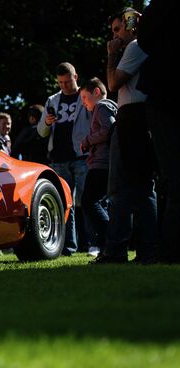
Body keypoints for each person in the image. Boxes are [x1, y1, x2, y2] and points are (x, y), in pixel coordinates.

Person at [93, 7, 158, 264]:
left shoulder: (133, 48)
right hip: (139, 117)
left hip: (132, 117)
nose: (115, 37)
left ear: (130, 26)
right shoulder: (144, 46)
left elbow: (112, 83)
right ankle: (145, 251)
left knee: (122, 188)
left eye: (118, 29)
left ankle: (117, 250)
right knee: (141, 188)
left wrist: (111, 55)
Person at [138, 0, 179, 263]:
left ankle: (170, 249)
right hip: (166, 97)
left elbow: (145, 38)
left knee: (173, 179)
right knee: (175, 179)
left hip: (162, 97)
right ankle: (171, 249)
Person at [37, 62, 92, 256]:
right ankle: (68, 248)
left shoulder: (85, 96)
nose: (64, 86)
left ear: (75, 78)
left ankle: (92, 244)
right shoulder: (52, 100)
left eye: (67, 82)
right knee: (64, 205)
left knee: (88, 201)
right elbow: (41, 132)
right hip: (59, 159)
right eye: (60, 83)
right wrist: (46, 122)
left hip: (82, 156)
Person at [79, 78, 117, 258]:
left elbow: (109, 128)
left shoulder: (101, 107)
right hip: (103, 162)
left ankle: (110, 240)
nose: (83, 102)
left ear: (96, 92)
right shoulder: (104, 107)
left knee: (88, 201)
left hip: (101, 164)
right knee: (94, 202)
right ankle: (107, 245)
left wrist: (87, 140)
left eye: (85, 97)